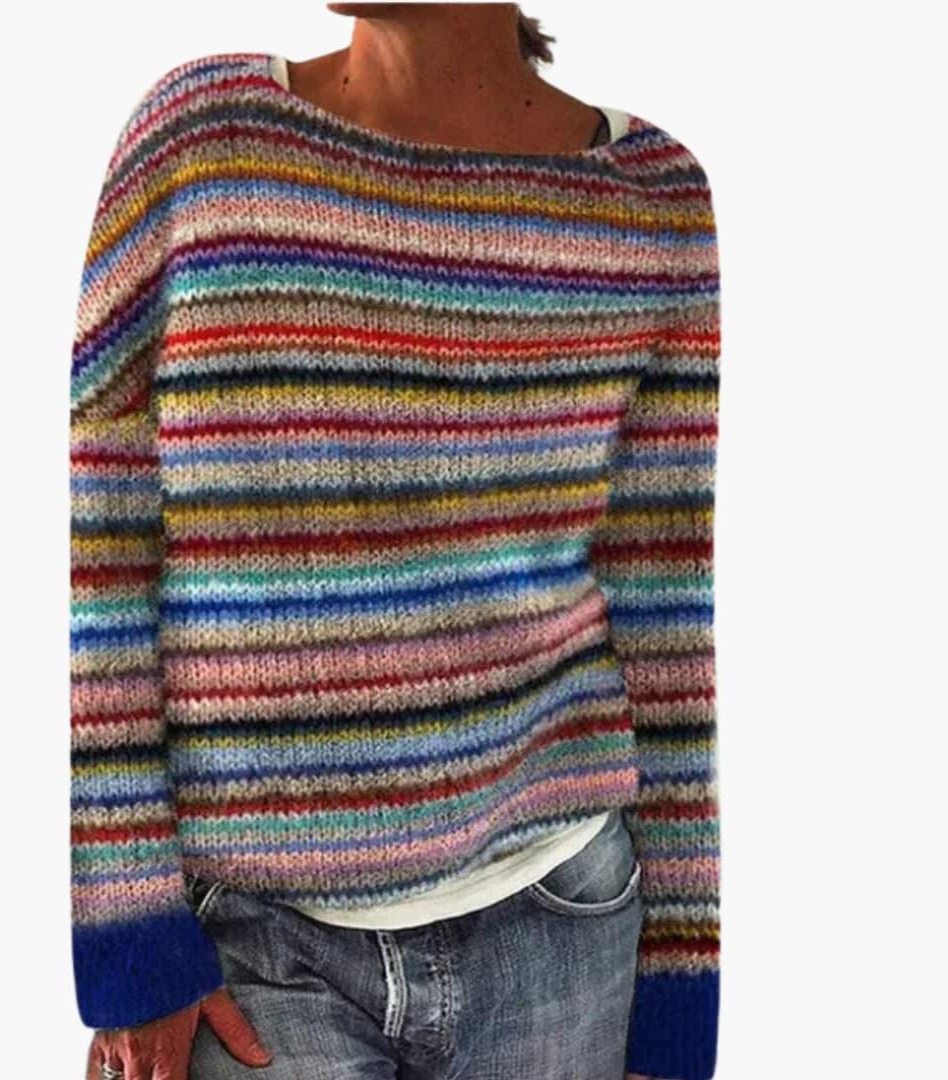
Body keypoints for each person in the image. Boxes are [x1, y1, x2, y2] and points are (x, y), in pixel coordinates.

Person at [69, 4, 722, 1079]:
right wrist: (130, 932)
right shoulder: (202, 140)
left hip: (563, 922)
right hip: (253, 945)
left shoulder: (649, 201)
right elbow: (106, 541)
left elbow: (664, 603)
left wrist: (683, 984)